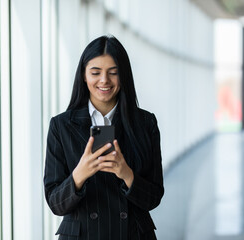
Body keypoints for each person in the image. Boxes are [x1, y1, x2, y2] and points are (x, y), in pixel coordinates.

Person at [43, 35, 164, 240]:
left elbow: (153, 198)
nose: (104, 80)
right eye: (95, 72)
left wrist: (126, 174)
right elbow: (56, 204)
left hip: (133, 234)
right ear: (83, 75)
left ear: (123, 76)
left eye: (113, 73)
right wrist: (79, 175)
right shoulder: (61, 126)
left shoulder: (145, 123)